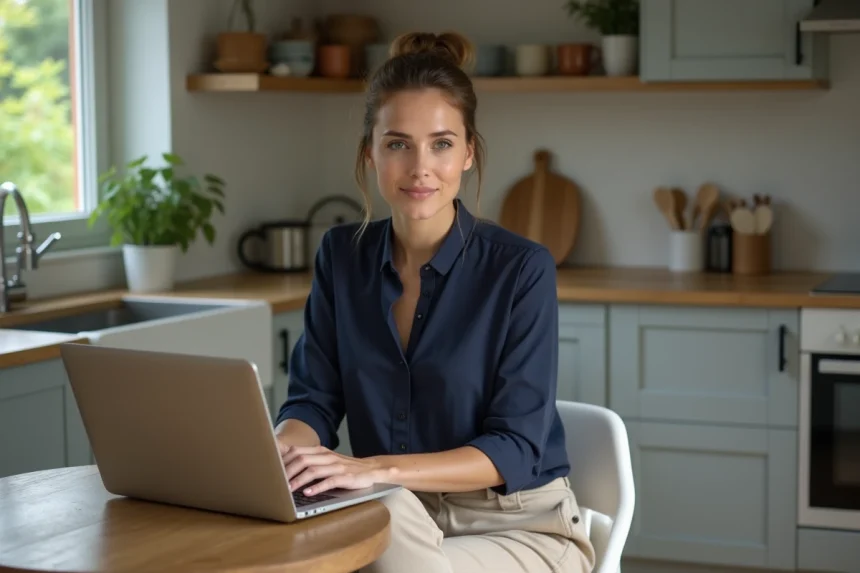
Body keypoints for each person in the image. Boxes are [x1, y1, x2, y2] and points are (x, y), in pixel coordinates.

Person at [272, 30, 596, 573]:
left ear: (468, 152)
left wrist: (374, 470)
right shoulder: (341, 257)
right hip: (393, 513)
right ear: (370, 153)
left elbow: (515, 447)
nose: (421, 167)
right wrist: (285, 454)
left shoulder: (521, 269)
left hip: (517, 527)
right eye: (398, 143)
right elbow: (313, 401)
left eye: (441, 143)